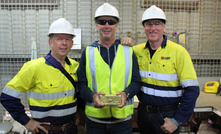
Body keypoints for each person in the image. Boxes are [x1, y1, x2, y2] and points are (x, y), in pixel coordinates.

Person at [0, 18, 80, 134]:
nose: (64, 43)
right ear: (50, 42)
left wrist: (80, 111)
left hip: (71, 129)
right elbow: (7, 97)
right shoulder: (34, 67)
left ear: (72, 43)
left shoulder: (75, 66)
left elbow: (80, 93)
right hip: (46, 131)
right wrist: (26, 121)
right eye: (59, 39)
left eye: (67, 39)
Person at [133, 5, 200, 134]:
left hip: (167, 116)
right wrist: (123, 41)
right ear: (143, 27)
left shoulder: (179, 52)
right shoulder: (136, 51)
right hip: (143, 114)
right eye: (149, 24)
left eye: (157, 24)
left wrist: (177, 120)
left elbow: (192, 89)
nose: (153, 28)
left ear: (164, 26)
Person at [77, 3, 141, 134]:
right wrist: (92, 96)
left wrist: (126, 94)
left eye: (111, 22)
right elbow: (81, 84)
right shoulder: (88, 52)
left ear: (117, 25)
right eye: (102, 22)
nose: (106, 25)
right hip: (95, 123)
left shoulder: (128, 51)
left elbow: (136, 81)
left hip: (122, 123)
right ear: (96, 25)